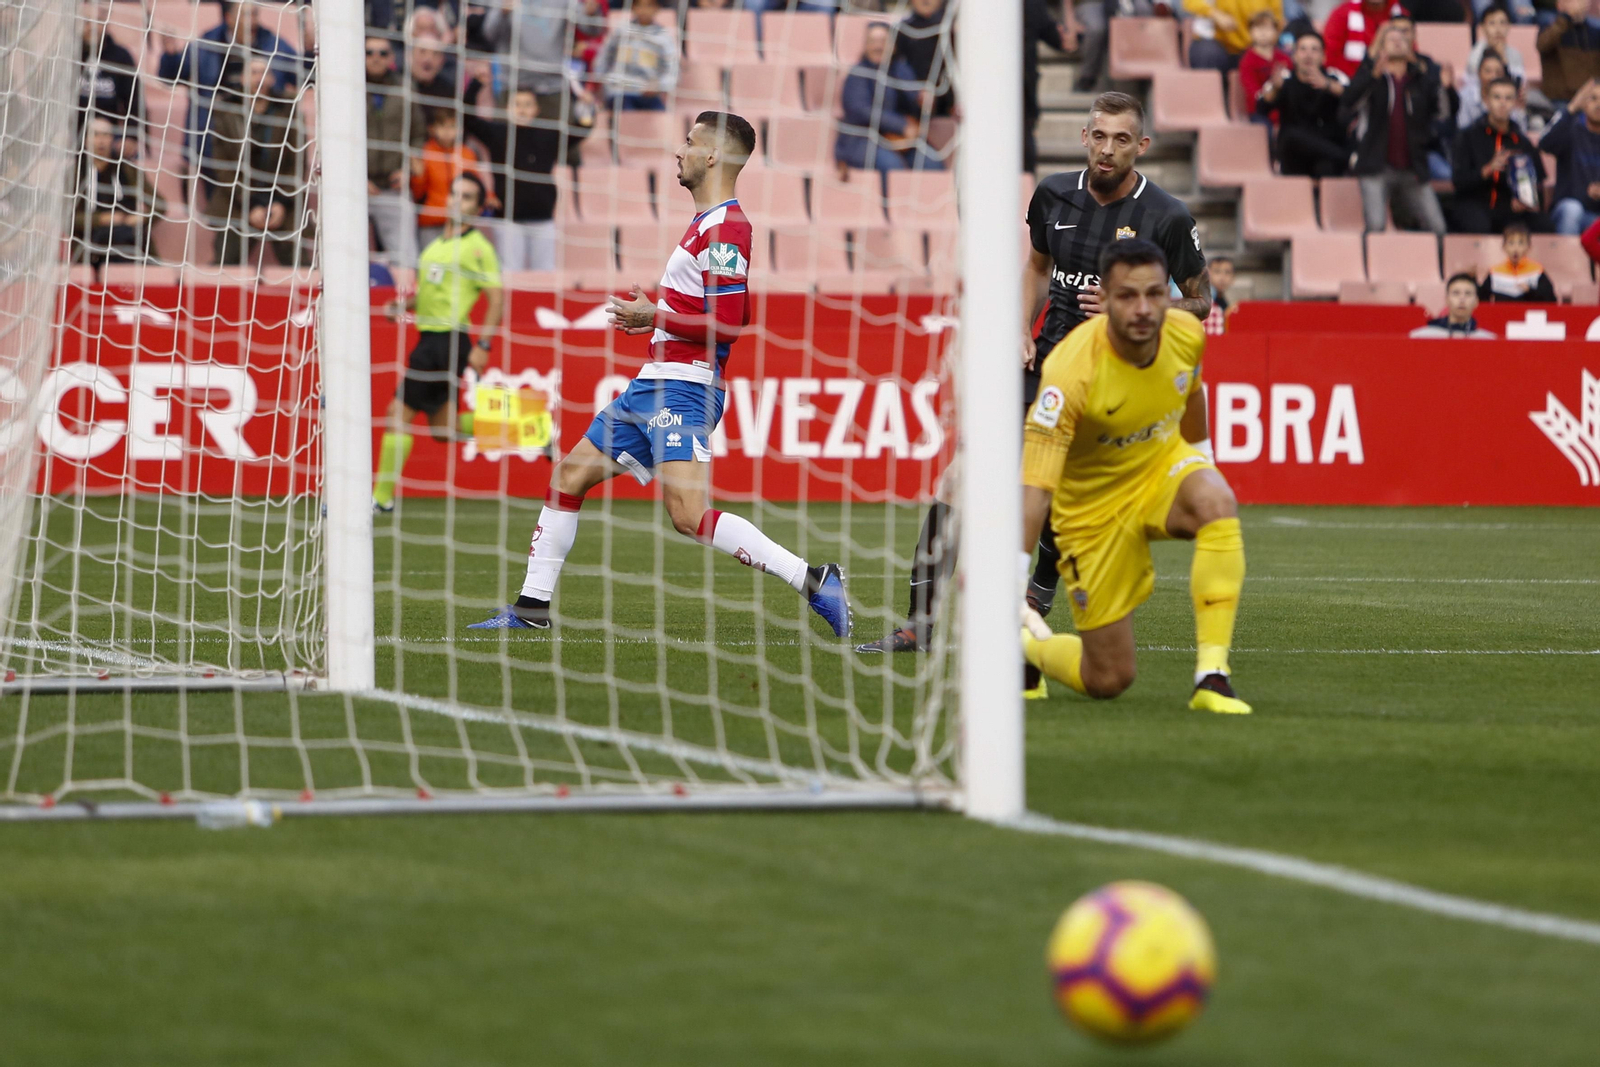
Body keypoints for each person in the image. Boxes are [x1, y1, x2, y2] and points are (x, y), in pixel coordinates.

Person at [856, 93, 1212, 670]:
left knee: (1055, 503)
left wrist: (1136, 311)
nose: (1107, 149)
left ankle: (1034, 601)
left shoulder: (1166, 216)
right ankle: (919, 626)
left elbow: (1201, 301)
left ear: (1141, 147)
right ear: (1084, 137)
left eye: (1122, 139)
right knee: (958, 483)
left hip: (1112, 382)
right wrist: (1022, 327)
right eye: (1099, 136)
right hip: (1042, 369)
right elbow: (1038, 268)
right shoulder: (1052, 195)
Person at [470, 113, 853, 637]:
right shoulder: (706, 224)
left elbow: (728, 326)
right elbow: (724, 315)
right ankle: (531, 609)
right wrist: (656, 324)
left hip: (685, 387)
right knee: (568, 476)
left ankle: (815, 580)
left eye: (691, 142)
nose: (680, 151)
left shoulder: (726, 228)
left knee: (688, 514)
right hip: (654, 380)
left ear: (714, 155)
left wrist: (656, 317)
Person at [1020, 239, 1251, 716]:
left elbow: (1191, 392)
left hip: (1158, 470)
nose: (1144, 308)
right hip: (1091, 511)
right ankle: (1026, 649)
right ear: (1101, 300)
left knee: (1216, 501)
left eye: (1154, 294)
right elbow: (1036, 487)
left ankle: (1213, 676)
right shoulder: (1068, 372)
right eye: (1127, 296)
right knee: (1108, 678)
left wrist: (1203, 460)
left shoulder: (1185, 333)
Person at [374, 174, 505, 512]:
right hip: (431, 338)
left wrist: (484, 345)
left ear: (477, 207)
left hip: (448, 339)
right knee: (444, 429)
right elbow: (431, 293)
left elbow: (496, 299)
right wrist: (403, 307)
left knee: (397, 415)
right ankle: (528, 428)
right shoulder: (435, 246)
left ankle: (380, 499)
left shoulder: (479, 247)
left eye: (467, 197)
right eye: (454, 194)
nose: (457, 202)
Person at [157, 0, 300, 174]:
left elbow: (304, 77)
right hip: (215, 144)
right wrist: (171, 57)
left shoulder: (274, 44)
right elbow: (170, 78)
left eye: (255, 14)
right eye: (246, 15)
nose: (253, 21)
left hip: (265, 144)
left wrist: (310, 52)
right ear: (229, 18)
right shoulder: (207, 43)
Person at [1339, 21, 1449, 234]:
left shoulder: (1420, 79)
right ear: (1381, 47)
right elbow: (1347, 103)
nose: (1398, 43)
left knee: (1438, 228)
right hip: (1375, 165)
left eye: (1402, 39)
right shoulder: (1372, 75)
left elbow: (1443, 113)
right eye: (1392, 39)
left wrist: (1444, 87)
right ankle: (1368, 267)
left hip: (1412, 167)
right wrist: (1371, 77)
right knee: (1376, 225)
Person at [205, 57, 307, 267]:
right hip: (238, 198)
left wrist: (280, 202)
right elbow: (223, 166)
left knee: (299, 262)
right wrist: (250, 204)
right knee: (226, 260)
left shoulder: (288, 110)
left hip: (281, 197)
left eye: (264, 72)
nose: (259, 78)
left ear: (272, 78)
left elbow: (296, 163)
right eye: (253, 72)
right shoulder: (226, 110)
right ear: (242, 79)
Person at [461, 79, 571, 272]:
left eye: (527, 104)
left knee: (545, 273)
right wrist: (476, 85)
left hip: (543, 219)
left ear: (536, 109)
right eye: (517, 104)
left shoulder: (548, 135)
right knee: (509, 273)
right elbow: (467, 118)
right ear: (507, 108)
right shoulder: (498, 134)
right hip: (508, 220)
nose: (522, 110)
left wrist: (586, 108)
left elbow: (581, 130)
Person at [834, 22, 943, 172]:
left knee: (932, 164)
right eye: (873, 41)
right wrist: (900, 125)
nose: (878, 46)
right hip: (862, 142)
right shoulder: (858, 74)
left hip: (900, 141)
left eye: (883, 41)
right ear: (865, 45)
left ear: (893, 46)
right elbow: (861, 110)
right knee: (892, 165)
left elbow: (914, 100)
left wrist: (924, 102)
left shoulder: (901, 69)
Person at [1451, 77, 1552, 232]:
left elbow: (1537, 183)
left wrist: (1525, 202)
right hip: (1475, 204)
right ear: (1486, 99)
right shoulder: (1468, 136)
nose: (1502, 103)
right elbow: (1458, 181)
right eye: (1497, 97)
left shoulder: (1522, 142)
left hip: (1509, 208)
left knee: (1544, 224)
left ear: (1515, 102)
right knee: (1478, 224)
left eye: (1508, 98)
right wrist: (1487, 170)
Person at [73, 115, 162, 266]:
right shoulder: (75, 173)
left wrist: (140, 218)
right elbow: (68, 218)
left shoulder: (128, 169)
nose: (101, 140)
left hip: (129, 239)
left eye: (106, 135)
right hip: (92, 244)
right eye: (95, 135)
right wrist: (102, 219)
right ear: (85, 140)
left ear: (113, 139)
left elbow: (160, 206)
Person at [1261, 30, 1350, 175]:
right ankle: (1346, 158)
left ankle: (1340, 159)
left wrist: (1328, 85)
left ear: (1323, 57)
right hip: (1294, 153)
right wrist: (1276, 89)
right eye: (1303, 49)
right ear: (1294, 56)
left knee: (1326, 167)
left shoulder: (1334, 76)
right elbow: (1261, 109)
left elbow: (1353, 97)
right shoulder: (1284, 78)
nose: (1308, 55)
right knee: (1290, 135)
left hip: (1327, 147)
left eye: (1314, 50)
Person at [411, 106, 491, 249]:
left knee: (458, 264)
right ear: (432, 128)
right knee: (433, 267)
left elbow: (475, 184)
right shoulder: (426, 152)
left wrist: (489, 196)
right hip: (432, 222)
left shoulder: (467, 154)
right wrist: (419, 176)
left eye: (452, 126)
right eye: (442, 126)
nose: (447, 131)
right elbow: (418, 193)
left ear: (460, 129)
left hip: (461, 223)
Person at [366, 37, 415, 265]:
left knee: (405, 258)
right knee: (344, 255)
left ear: (392, 58)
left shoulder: (404, 89)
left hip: (393, 186)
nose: (376, 58)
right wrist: (356, 179)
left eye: (383, 53)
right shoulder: (344, 87)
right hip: (355, 189)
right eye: (370, 52)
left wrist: (408, 170)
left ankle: (403, 298)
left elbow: (418, 134)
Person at [594, 0, 680, 111]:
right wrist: (606, 83)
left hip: (648, 94)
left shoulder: (664, 37)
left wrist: (659, 85)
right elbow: (603, 58)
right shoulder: (621, 31)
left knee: (661, 116)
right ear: (632, 7)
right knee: (628, 114)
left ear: (657, 9)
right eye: (639, 5)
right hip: (620, 91)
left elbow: (673, 70)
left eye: (649, 5)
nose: (644, 10)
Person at [79, 2, 142, 144]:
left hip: (110, 141)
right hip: (72, 138)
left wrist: (131, 138)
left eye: (99, 22)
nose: (93, 28)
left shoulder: (121, 57)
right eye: (87, 22)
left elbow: (135, 101)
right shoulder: (68, 55)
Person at [1543, 78, 1600, 235]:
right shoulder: (1571, 129)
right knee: (1572, 209)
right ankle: (1567, 260)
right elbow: (1545, 144)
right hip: (1569, 212)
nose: (1598, 105)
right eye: (1593, 98)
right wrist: (1572, 107)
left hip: (1597, 218)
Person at [893, 0, 956, 120]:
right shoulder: (903, 30)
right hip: (913, 106)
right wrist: (917, 93)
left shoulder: (956, 29)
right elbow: (897, 68)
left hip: (950, 103)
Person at [1183, 0, 1286, 73]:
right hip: (1216, 41)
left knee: (1279, 57)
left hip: (1251, 44)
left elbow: (1276, 18)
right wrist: (1215, 14)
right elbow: (1191, 2)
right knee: (1207, 54)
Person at [1023, 0, 1066, 172]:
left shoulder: (1031, 5)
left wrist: (1067, 8)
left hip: (1023, 94)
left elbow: (1065, 42)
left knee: (1025, 151)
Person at [1322, 0, 1408, 77]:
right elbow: (1330, 57)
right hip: (1350, 83)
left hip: (1395, 81)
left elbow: (1410, 54)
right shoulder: (1341, 14)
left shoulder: (1402, 16)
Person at [1537, 0, 1600, 104]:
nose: (1578, 4)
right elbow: (1542, 45)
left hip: (1590, 99)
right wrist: (1566, 17)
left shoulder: (1595, 30)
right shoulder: (1549, 25)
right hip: (1559, 99)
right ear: (1560, 4)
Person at [1478, 220, 1558, 299]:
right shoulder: (1495, 273)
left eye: (1521, 243)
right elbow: (1481, 299)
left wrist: (1530, 291)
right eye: (1511, 243)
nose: (1515, 249)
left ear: (1529, 247)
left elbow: (1551, 299)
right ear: (1504, 247)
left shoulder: (1537, 272)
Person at [1238, 10, 1293, 122]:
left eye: (1267, 28)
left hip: (1284, 109)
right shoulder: (1247, 60)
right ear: (1250, 32)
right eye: (1258, 28)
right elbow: (1252, 92)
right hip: (1259, 111)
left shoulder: (1284, 59)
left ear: (1277, 32)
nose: (1263, 33)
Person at [1409, 272, 1498, 335]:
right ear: (1447, 299)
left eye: (1468, 294)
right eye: (1456, 293)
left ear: (1476, 302)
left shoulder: (1487, 339)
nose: (1462, 299)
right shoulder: (1422, 336)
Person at [1457, 49, 1526, 128]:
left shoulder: (1509, 95)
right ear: (1478, 73)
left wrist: (1520, 110)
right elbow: (1463, 129)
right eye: (1488, 71)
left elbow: (1520, 131)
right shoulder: (1465, 96)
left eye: (1498, 72)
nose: (1493, 77)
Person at [1469, 4, 1526, 82]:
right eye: (1492, 23)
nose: (1498, 29)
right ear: (1483, 27)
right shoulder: (1476, 54)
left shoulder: (1515, 54)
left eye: (1502, 23)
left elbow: (1518, 84)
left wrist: (1504, 60)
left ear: (1509, 26)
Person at [1205, 255, 1235, 333]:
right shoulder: (1204, 300)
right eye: (1217, 272)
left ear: (1233, 277)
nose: (1222, 277)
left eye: (1227, 272)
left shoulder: (1225, 302)